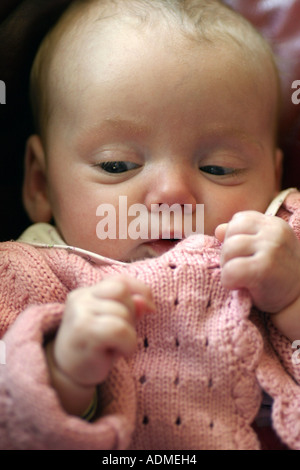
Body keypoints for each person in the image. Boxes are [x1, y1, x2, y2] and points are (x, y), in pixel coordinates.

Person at [1, 0, 300, 450]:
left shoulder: (284, 244)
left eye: (219, 168)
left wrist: (292, 300)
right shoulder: (22, 276)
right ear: (41, 183)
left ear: (274, 176)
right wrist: (62, 372)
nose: (172, 193)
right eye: (117, 164)